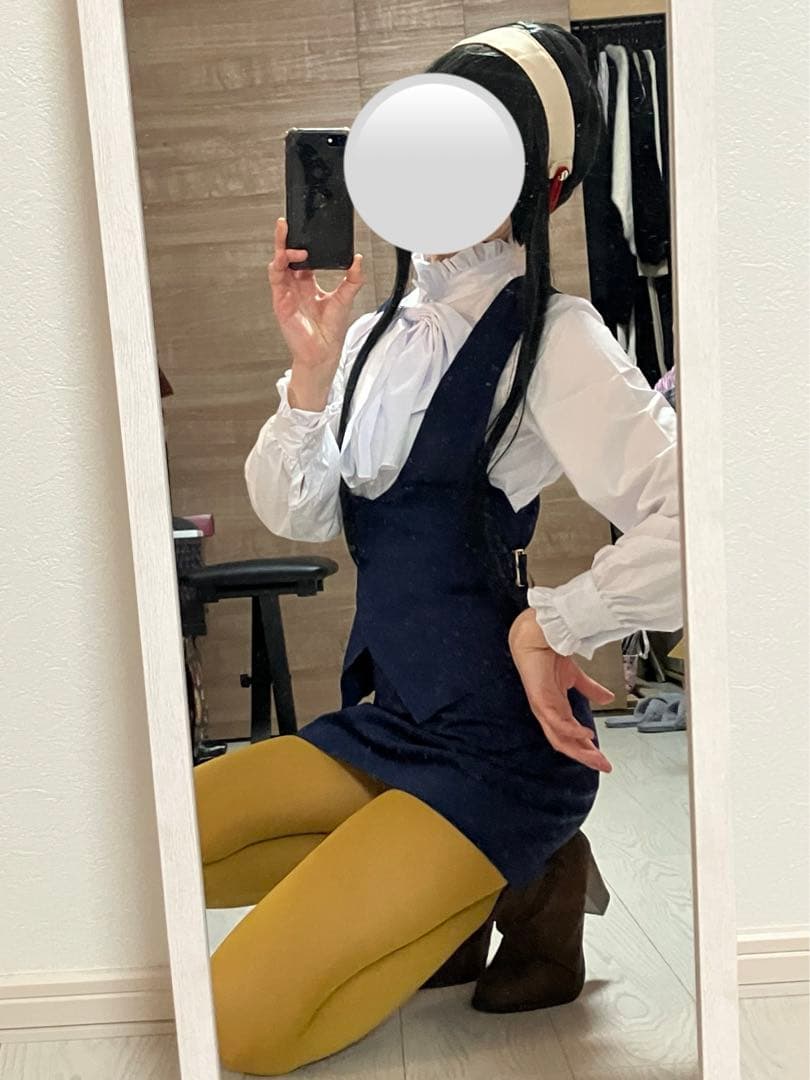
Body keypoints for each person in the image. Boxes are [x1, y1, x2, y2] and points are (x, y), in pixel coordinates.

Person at [194, 21, 682, 1076]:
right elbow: (300, 514)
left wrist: (554, 623)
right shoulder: (371, 337)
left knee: (235, 1025)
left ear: (543, 184)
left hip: (498, 751)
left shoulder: (556, 337)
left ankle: (501, 859)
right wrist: (311, 369)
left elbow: (703, 526)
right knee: (156, 846)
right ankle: (509, 874)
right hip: (392, 719)